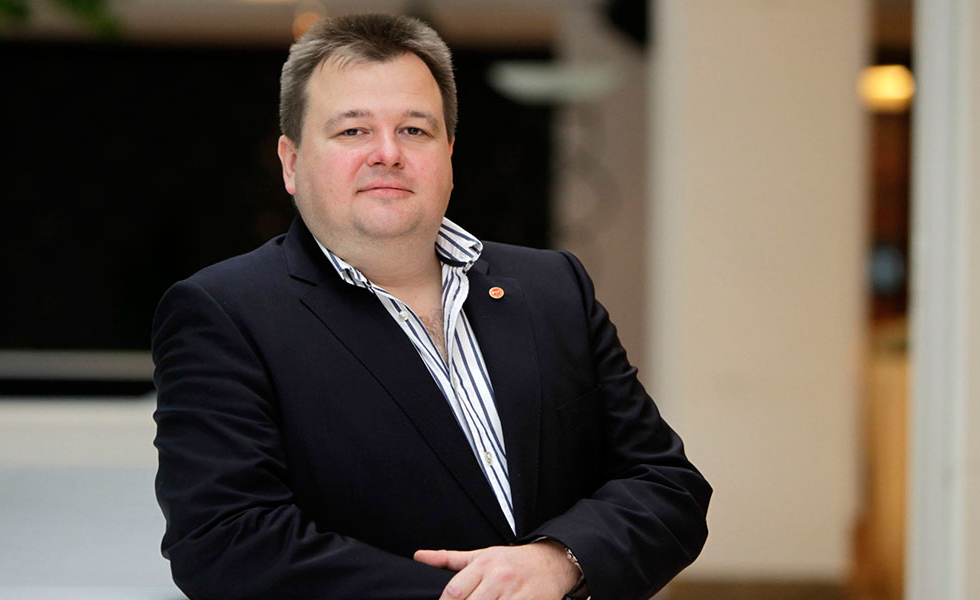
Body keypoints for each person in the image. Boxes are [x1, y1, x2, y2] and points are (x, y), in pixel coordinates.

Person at [152, 13, 710, 600]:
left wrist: (559, 560)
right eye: (353, 131)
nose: (388, 152)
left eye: (415, 130)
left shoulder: (552, 288)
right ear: (291, 163)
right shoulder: (224, 313)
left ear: (449, 153)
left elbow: (666, 485)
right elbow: (226, 541)